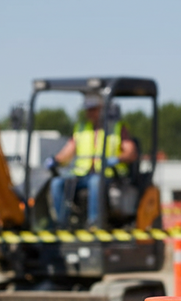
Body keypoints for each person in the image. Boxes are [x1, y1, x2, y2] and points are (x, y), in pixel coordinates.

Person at [44, 94, 137, 228]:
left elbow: (131, 152)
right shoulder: (81, 128)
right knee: (57, 183)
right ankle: (62, 223)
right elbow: (67, 153)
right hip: (82, 175)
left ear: (102, 108)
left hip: (108, 175)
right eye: (88, 109)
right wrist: (55, 160)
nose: (90, 112)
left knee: (95, 182)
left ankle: (94, 222)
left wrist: (117, 158)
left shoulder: (117, 128)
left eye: (93, 109)